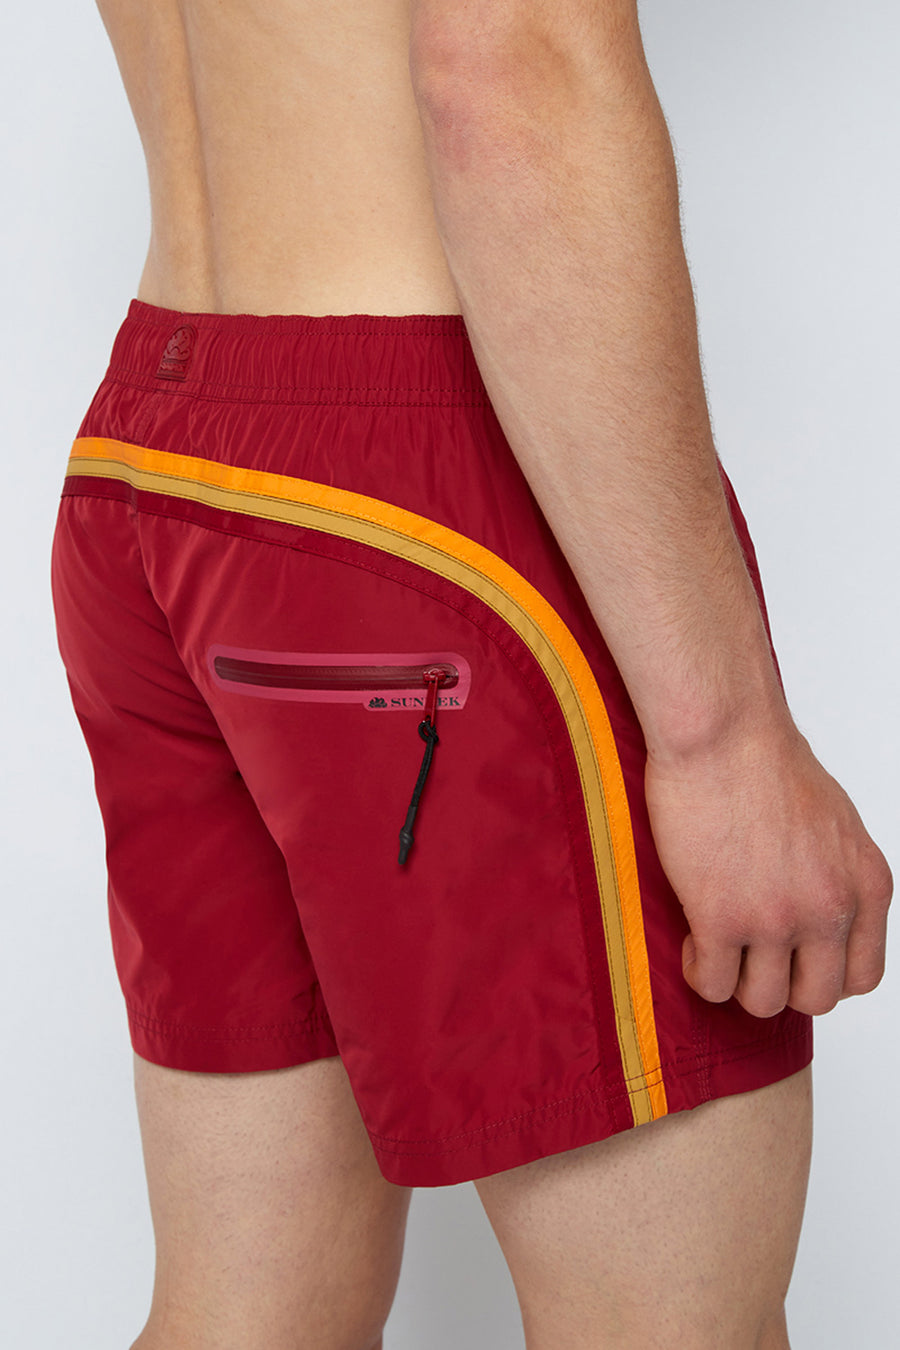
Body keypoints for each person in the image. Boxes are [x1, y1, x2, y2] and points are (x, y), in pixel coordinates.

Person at [49, 2, 892, 1348]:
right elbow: (504, 66)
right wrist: (721, 736)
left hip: (158, 453)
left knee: (248, 1318)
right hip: (419, 506)